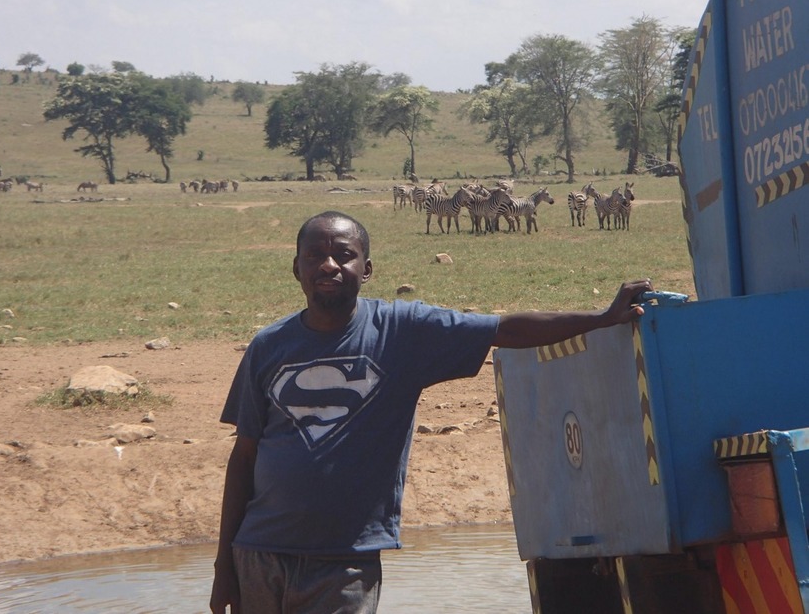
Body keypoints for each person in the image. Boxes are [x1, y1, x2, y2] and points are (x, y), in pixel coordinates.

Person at [210, 210, 652, 614]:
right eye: (315, 256)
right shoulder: (268, 346)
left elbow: (505, 328)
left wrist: (600, 318)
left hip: (345, 560)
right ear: (297, 268)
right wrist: (222, 567)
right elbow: (244, 457)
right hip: (259, 555)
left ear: (366, 270)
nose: (330, 266)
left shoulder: (404, 332)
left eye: (344, 255)